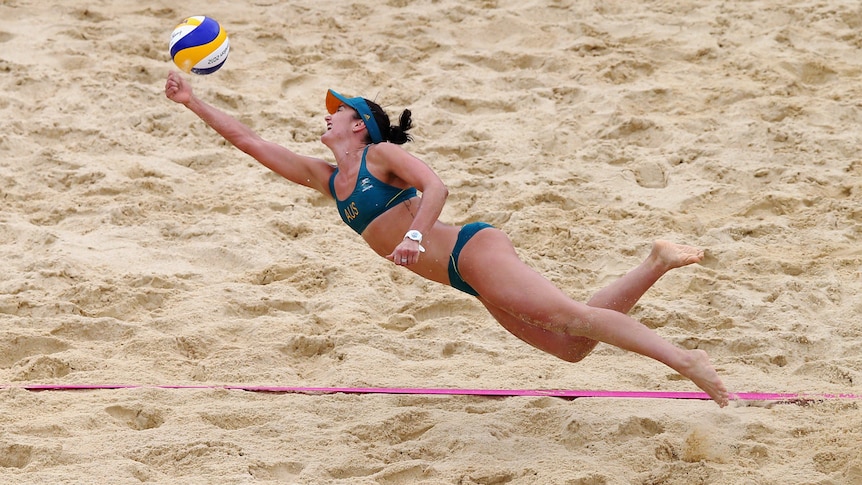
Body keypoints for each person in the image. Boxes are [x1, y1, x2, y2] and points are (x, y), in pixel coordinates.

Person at [164, 71, 729, 407]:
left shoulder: (379, 157)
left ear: (360, 124)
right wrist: (192, 102)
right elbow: (247, 140)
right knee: (570, 345)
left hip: (470, 250)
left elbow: (436, 185)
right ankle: (654, 262)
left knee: (570, 318)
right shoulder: (325, 177)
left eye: (338, 113)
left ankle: (686, 361)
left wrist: (413, 233)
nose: (328, 118)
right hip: (461, 276)